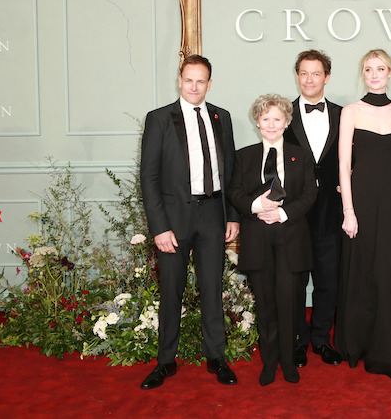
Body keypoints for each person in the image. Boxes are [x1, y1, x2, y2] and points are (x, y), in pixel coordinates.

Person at [139, 54, 240, 389]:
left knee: (212, 288)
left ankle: (217, 358)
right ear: (179, 80)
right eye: (188, 79)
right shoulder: (159, 119)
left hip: (213, 214)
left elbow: (232, 173)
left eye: (201, 81)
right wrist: (159, 227)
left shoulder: (221, 117)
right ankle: (165, 361)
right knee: (171, 290)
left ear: (209, 84)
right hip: (173, 219)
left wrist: (234, 216)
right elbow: (149, 177)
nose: (194, 86)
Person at [335, 49, 391, 380]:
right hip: (362, 202)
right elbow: (344, 165)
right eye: (368, 69)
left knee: (390, 271)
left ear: (390, 72)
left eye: (380, 68)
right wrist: (349, 212)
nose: (374, 74)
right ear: (362, 73)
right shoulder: (350, 111)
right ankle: (361, 343)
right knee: (364, 272)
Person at [227, 94, 318, 385]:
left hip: (291, 238)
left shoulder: (301, 155)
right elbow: (235, 192)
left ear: (287, 122)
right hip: (257, 238)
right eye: (265, 118)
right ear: (257, 121)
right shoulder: (244, 156)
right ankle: (269, 363)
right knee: (265, 305)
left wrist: (282, 214)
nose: (271, 124)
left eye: (277, 119)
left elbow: (309, 194)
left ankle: (289, 362)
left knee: (290, 303)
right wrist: (256, 206)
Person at [283, 50, 344, 367]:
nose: (309, 79)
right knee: (294, 280)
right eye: (304, 73)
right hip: (294, 212)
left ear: (327, 77)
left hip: (331, 212)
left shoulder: (344, 114)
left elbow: (355, 161)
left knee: (328, 280)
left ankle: (321, 339)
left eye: (316, 73)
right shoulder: (282, 113)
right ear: (297, 76)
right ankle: (297, 341)